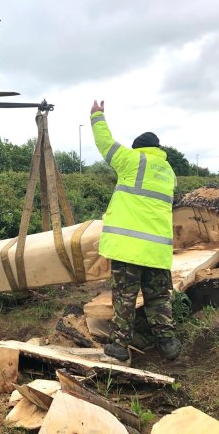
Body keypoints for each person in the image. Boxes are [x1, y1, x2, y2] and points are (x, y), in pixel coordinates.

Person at [89, 100, 181, 362]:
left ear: (138, 149)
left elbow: (105, 143)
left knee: (124, 298)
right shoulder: (169, 172)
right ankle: (168, 343)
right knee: (158, 297)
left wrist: (97, 116)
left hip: (128, 248)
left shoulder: (132, 161)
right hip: (157, 250)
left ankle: (119, 346)